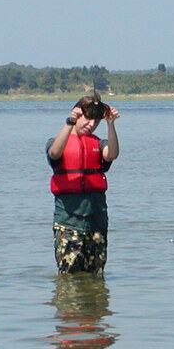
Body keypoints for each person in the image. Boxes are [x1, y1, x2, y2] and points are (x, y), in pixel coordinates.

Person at [47, 93, 120, 275]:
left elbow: (112, 154)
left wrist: (110, 124)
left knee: (96, 274)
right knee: (68, 275)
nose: (91, 125)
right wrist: (69, 122)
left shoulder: (99, 143)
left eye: (96, 122)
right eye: (88, 119)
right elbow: (54, 153)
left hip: (97, 221)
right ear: (77, 115)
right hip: (68, 221)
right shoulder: (55, 142)